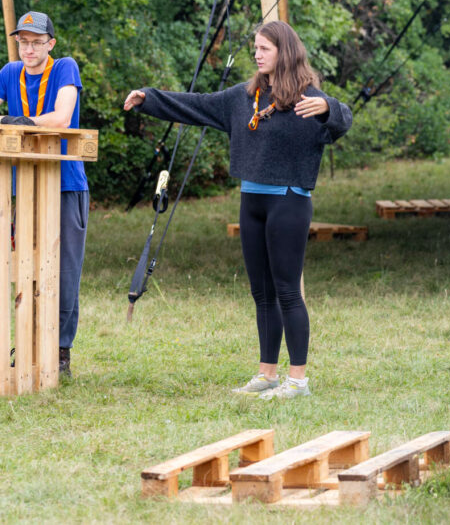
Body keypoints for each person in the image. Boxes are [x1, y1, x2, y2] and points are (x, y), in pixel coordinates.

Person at [123, 20, 352, 400]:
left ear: (285, 52)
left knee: (287, 291)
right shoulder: (244, 97)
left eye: (264, 48)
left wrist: (329, 107)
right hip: (252, 200)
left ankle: (298, 381)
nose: (257, 54)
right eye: (255, 48)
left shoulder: (308, 99)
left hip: (289, 201)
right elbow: (196, 105)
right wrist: (149, 98)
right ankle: (267, 374)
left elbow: (343, 121)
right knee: (262, 292)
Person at [0, 11, 90, 378]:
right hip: (25, 186)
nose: (29, 49)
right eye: (23, 42)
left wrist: (26, 123)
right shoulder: (10, 73)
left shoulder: (65, 67)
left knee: (65, 270)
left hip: (65, 183)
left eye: (37, 42)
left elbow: (62, 118)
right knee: (27, 266)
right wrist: (8, 121)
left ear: (51, 44)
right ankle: (29, 343)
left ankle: (60, 351)